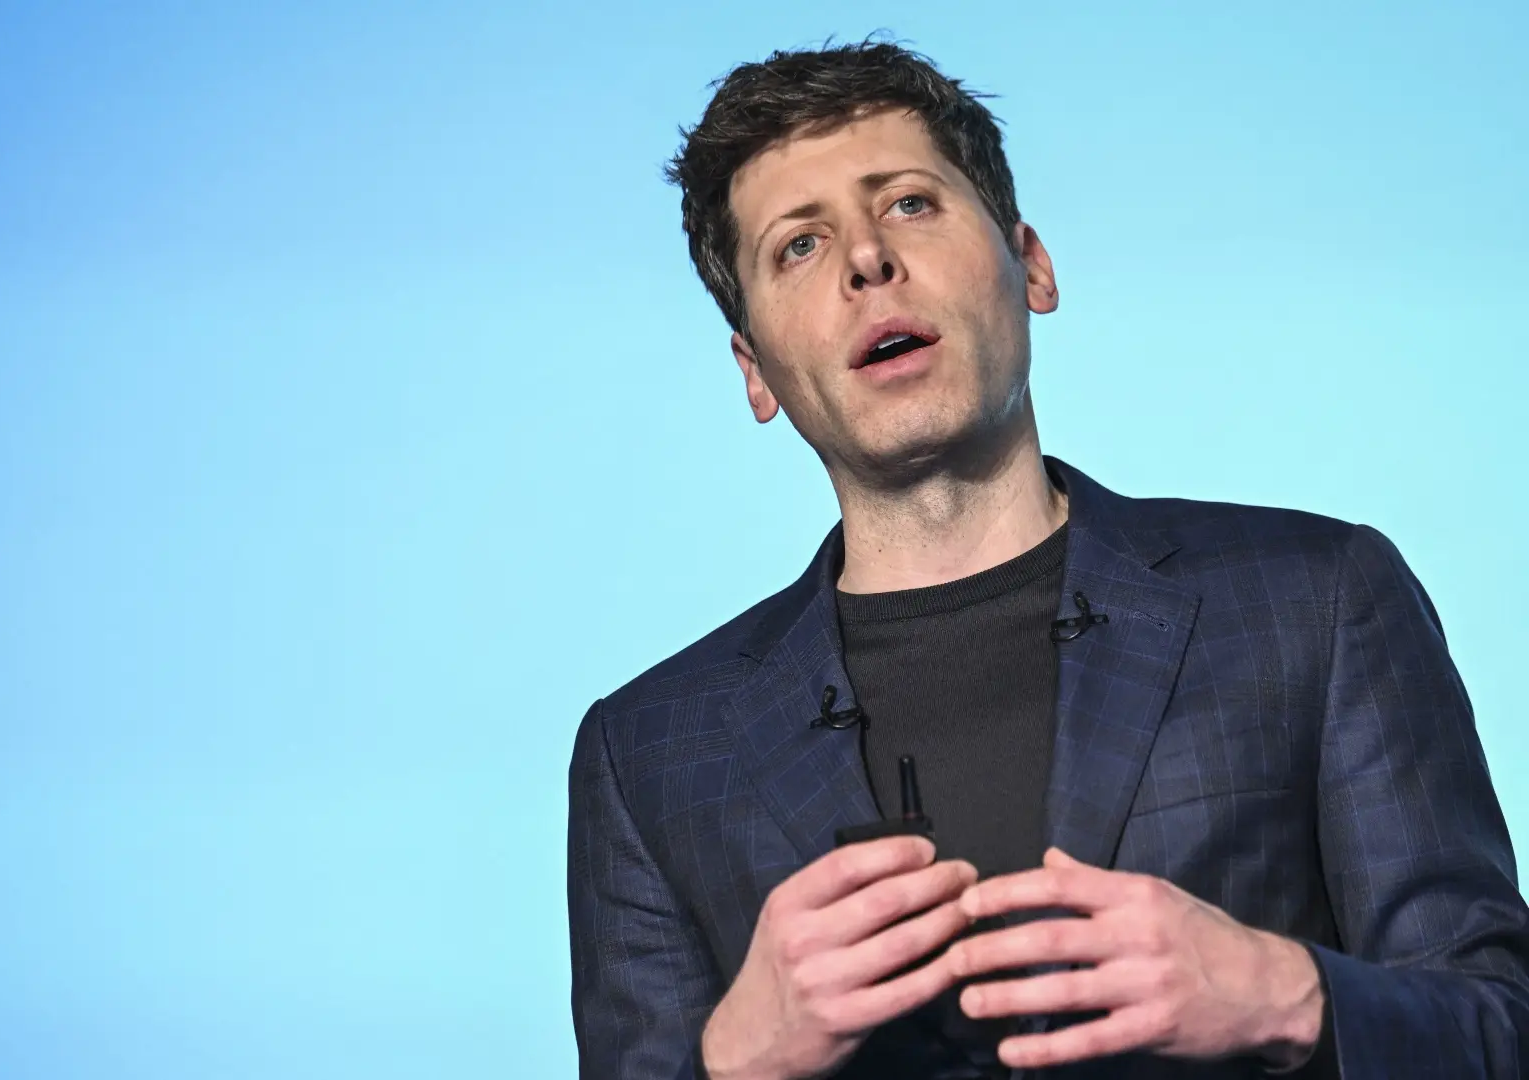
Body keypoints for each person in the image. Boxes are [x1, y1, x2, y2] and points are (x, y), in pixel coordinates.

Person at [565, 39, 1529, 1080]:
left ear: (1032, 266)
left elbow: (1500, 1026)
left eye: (909, 204)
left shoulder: (1319, 599)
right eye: (798, 245)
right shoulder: (647, 756)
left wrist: (1288, 996)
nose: (866, 261)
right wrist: (733, 1063)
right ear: (755, 370)